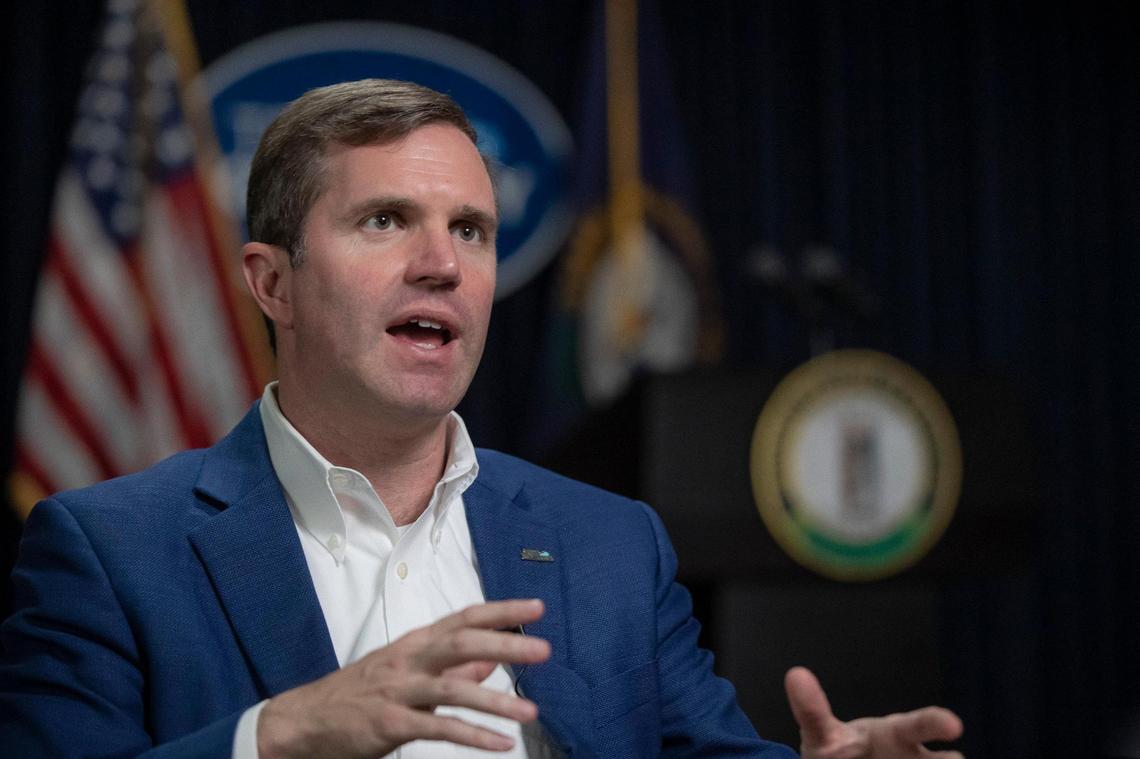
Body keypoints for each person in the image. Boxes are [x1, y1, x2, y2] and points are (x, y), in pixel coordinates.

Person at [0, 79, 963, 758]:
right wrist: (282, 736)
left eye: (471, 229)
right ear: (273, 283)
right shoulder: (111, 551)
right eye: (384, 221)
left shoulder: (611, 541)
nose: (442, 264)